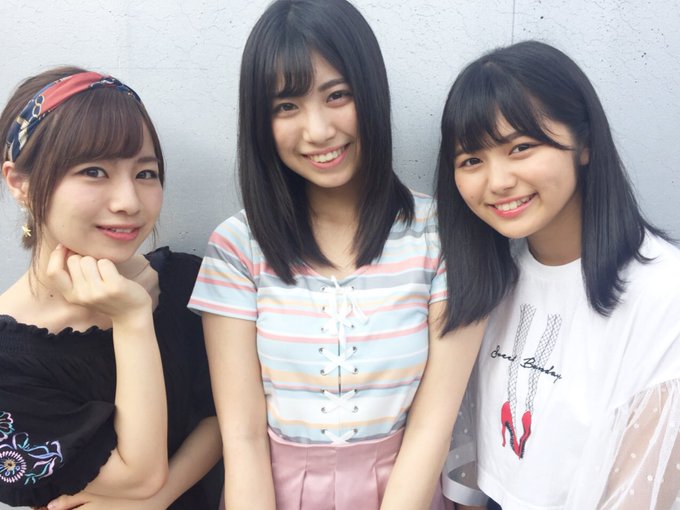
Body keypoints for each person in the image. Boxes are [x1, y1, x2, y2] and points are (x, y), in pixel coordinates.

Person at [188, 0, 485, 508]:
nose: (319, 130)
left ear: (370, 92)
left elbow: (431, 428)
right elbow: (243, 439)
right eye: (287, 106)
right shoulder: (236, 247)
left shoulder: (441, 236)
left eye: (337, 95)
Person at [435, 41, 680, 509]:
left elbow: (640, 494)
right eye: (472, 160)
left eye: (521, 147)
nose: (498, 181)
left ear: (584, 144)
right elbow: (476, 469)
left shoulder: (663, 293)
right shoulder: (491, 281)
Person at [0, 67, 221, 509]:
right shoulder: (9, 362)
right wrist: (132, 319)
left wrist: (153, 502)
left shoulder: (185, 282)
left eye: (146, 173)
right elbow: (137, 475)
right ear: (20, 183)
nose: (129, 202)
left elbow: (225, 416)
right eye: (94, 171)